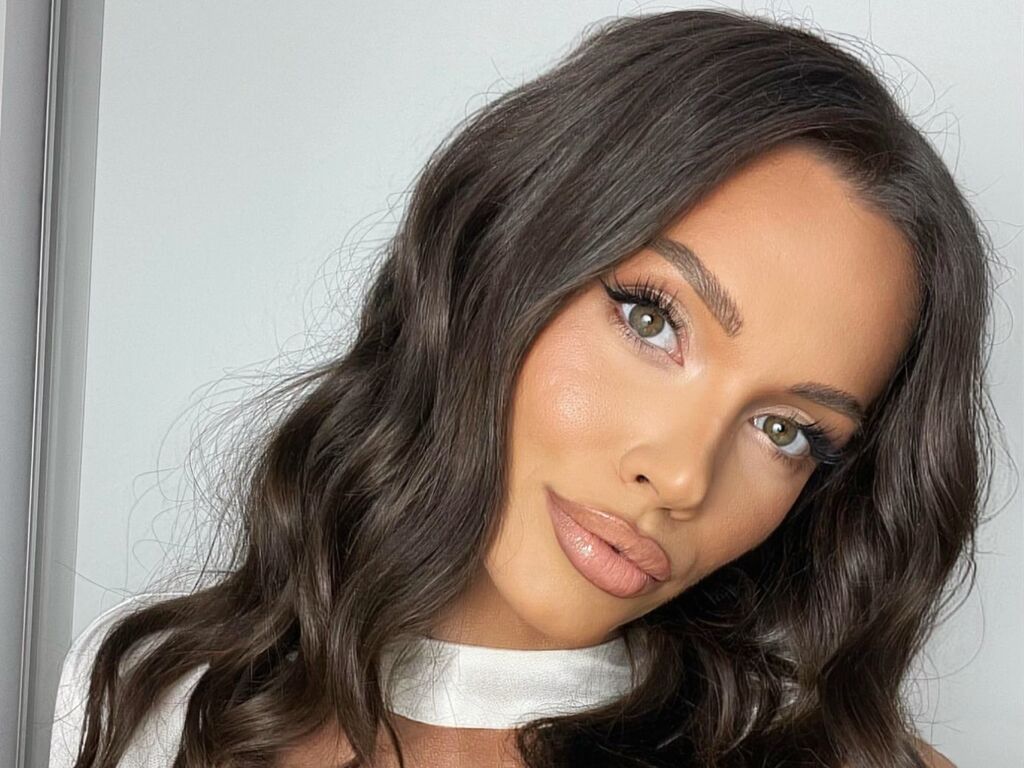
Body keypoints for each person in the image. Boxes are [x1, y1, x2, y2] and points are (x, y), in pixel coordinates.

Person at [49, 8, 997, 768]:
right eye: (652, 319)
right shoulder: (161, 693)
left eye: (787, 429)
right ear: (499, 256)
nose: (680, 479)